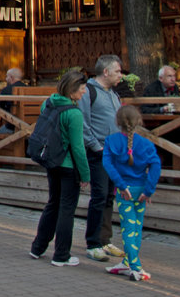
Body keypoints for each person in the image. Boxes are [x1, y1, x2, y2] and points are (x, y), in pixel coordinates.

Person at [30, 69, 90, 267]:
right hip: (68, 165)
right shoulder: (73, 113)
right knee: (66, 210)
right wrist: (85, 175)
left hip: (51, 161)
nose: (84, 93)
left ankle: (38, 247)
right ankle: (61, 254)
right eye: (82, 89)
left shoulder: (47, 103)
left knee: (52, 204)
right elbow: (78, 148)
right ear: (72, 90)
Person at [102, 106, 161, 282]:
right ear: (139, 122)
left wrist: (120, 185)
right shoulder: (146, 144)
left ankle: (135, 266)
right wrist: (149, 190)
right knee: (136, 227)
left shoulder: (111, 141)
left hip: (124, 191)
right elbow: (156, 166)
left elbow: (108, 165)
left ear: (117, 122)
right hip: (140, 190)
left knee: (128, 228)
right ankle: (128, 262)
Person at [79, 54, 126, 262]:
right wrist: (96, 147)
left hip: (114, 152)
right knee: (98, 196)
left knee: (109, 196)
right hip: (98, 152)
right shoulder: (88, 92)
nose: (121, 75)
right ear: (105, 72)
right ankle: (93, 243)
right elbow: (83, 122)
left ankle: (105, 239)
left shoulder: (113, 93)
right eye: (117, 71)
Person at [0, 67, 26, 134]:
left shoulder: (7, 90)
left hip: (12, 126)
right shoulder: (30, 89)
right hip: (30, 126)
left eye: (7, 76)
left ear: (11, 77)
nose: (6, 79)